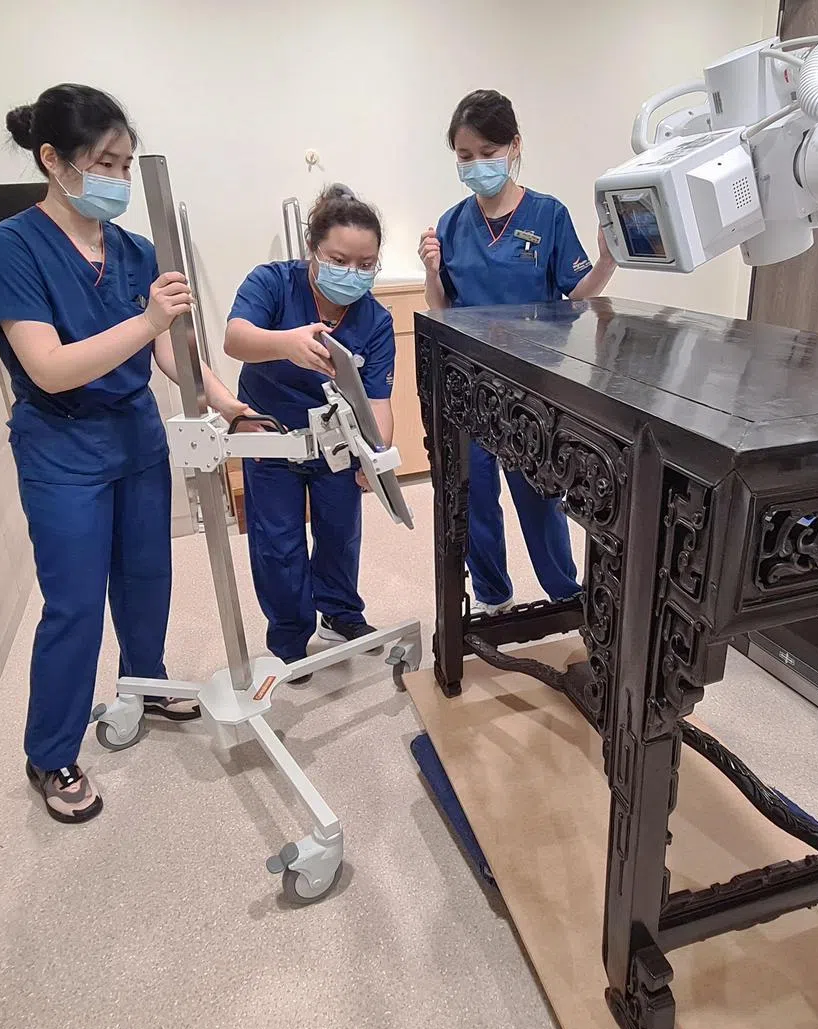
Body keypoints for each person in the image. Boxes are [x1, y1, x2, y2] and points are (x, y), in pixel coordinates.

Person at [0, 84, 251, 824]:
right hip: (61, 442)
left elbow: (169, 345)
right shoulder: (12, 245)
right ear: (53, 159)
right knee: (72, 603)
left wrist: (225, 401)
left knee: (146, 575)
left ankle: (146, 681)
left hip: (133, 433)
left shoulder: (133, 250)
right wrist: (147, 319)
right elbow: (49, 366)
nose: (119, 181)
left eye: (127, 165)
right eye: (105, 163)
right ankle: (51, 752)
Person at [419, 89, 617, 615]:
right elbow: (441, 309)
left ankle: (564, 596)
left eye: (488, 151)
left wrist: (607, 262)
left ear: (513, 146)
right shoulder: (451, 224)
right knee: (476, 495)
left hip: (533, 385)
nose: (477, 164)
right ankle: (493, 597)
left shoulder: (547, 215)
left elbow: (575, 296)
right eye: (465, 156)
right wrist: (431, 272)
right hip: (469, 386)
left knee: (539, 494)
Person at [224, 185, 395, 679]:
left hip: (337, 443)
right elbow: (236, 338)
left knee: (340, 534)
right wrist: (286, 343)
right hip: (271, 435)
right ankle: (290, 637)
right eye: (341, 260)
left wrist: (375, 457)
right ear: (313, 252)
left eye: (367, 264)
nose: (353, 273)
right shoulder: (273, 284)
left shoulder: (375, 320)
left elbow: (378, 403)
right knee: (278, 543)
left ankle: (341, 615)